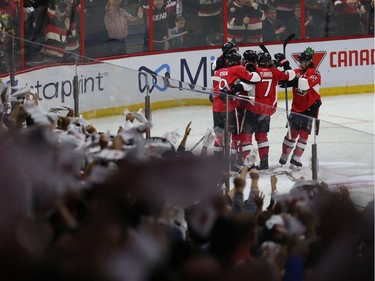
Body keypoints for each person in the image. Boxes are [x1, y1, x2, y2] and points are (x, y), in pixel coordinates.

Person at [236, 50, 296, 171]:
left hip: (252, 108)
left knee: (246, 136)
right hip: (267, 111)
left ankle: (248, 164)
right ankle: (264, 163)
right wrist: (284, 62)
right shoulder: (274, 72)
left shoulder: (254, 72)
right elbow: (291, 75)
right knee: (262, 136)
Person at [211, 52, 261, 163]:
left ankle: (217, 165)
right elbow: (256, 78)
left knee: (219, 137)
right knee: (234, 136)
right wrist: (251, 68)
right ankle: (233, 164)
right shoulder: (236, 69)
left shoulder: (218, 72)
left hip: (216, 108)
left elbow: (214, 92)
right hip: (229, 108)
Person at [278, 47, 322, 168]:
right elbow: (283, 79)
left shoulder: (315, 73)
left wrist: (292, 81)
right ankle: (285, 154)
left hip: (310, 108)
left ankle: (296, 158)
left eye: (302, 61)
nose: (300, 63)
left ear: (308, 62)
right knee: (292, 133)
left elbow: (305, 84)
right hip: (297, 107)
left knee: (304, 134)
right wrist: (282, 67)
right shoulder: (297, 71)